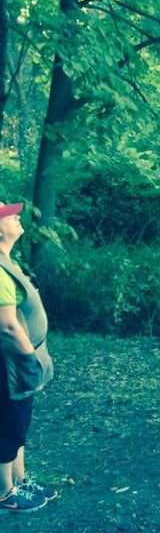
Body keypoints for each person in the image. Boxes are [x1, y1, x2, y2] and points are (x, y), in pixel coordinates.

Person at [0, 201, 58, 513]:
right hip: (10, 362)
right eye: (7, 214)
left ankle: (19, 481)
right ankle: (4, 492)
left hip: (20, 360)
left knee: (19, 421)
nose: (15, 215)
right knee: (7, 423)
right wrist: (28, 358)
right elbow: (7, 326)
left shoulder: (6, 261)